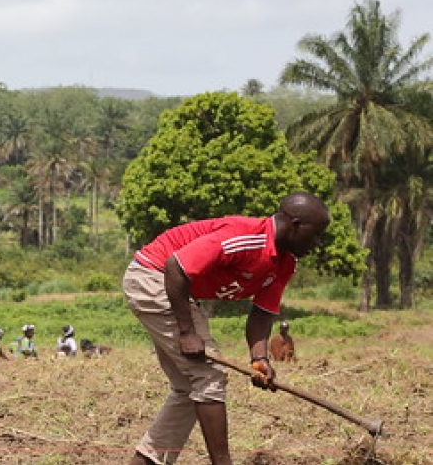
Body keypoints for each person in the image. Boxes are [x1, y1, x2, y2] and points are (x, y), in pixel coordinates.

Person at [123, 191, 330, 465]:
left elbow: (261, 314)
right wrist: (186, 332)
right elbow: (176, 267)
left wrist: (259, 359)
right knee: (209, 375)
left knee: (189, 386)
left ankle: (146, 461)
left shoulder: (285, 263)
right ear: (294, 225)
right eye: (315, 234)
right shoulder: (246, 237)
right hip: (154, 275)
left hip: (172, 286)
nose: (317, 243)